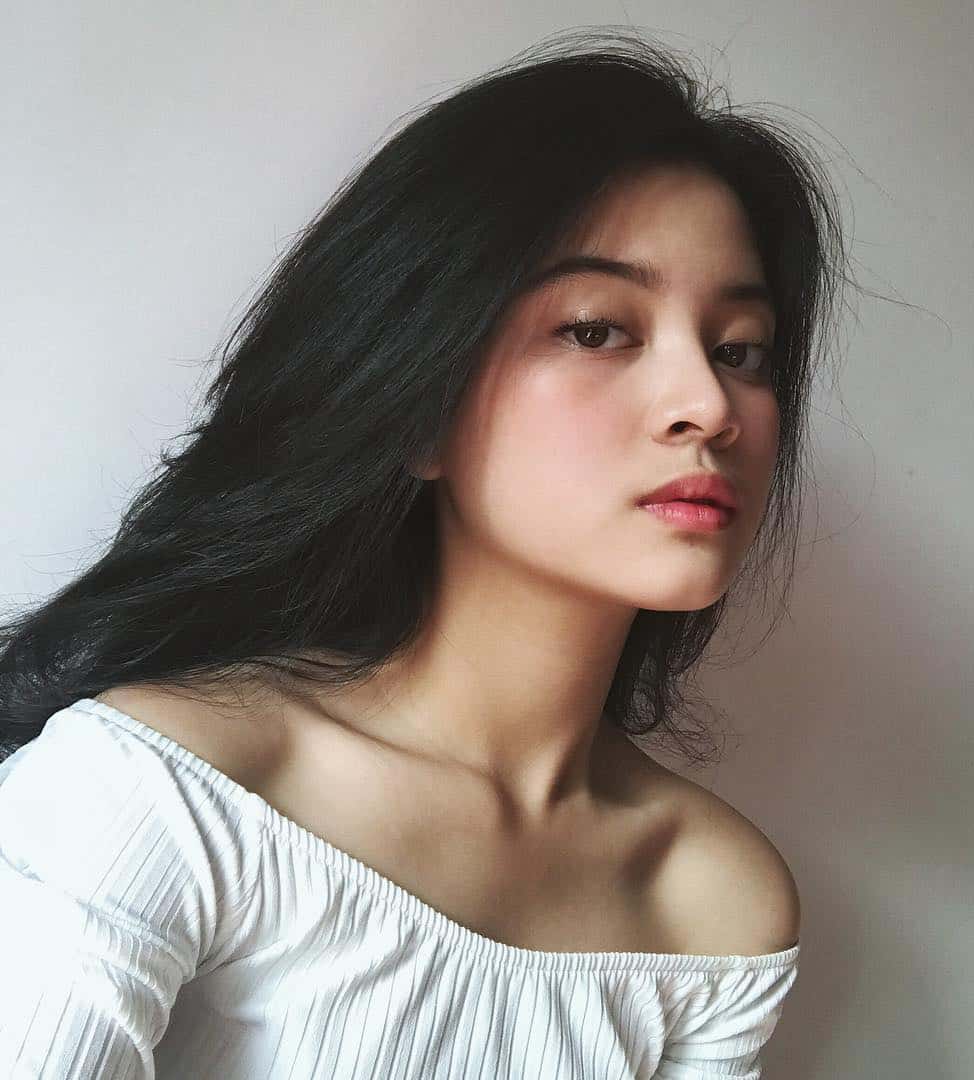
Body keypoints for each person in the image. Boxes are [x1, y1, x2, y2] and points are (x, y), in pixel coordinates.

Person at [0, 26, 851, 1079]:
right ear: (419, 405)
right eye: (597, 329)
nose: (709, 405)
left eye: (740, 350)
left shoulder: (710, 901)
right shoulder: (165, 792)